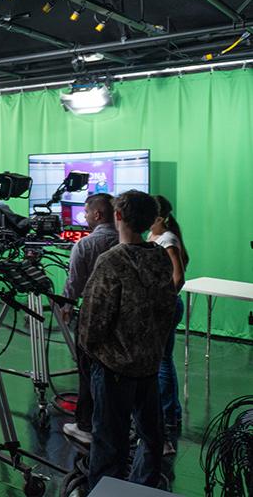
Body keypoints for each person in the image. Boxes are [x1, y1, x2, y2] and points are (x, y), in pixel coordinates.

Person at [79, 190, 177, 490]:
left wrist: (88, 348)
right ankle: (141, 487)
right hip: (148, 364)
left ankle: (105, 491)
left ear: (118, 216)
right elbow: (168, 306)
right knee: (151, 437)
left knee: (109, 442)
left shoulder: (111, 261)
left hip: (114, 369)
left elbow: (93, 320)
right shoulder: (160, 255)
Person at [61, 193, 119, 446]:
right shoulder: (126, 241)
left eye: (85, 212)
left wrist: (66, 306)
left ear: (97, 214)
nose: (83, 217)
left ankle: (85, 424)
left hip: (91, 316)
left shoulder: (84, 246)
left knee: (87, 372)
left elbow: (74, 284)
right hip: (122, 318)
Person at [149, 195, 190, 447]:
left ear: (160, 217)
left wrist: (165, 300)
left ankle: (169, 415)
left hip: (166, 306)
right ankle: (170, 412)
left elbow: (179, 276)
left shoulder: (168, 240)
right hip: (158, 305)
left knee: (163, 361)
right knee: (160, 360)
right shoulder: (154, 236)